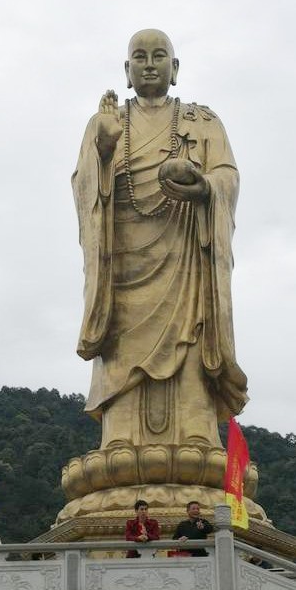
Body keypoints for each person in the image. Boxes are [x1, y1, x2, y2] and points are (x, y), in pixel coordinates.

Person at [73, 29, 247, 451]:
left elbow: (227, 176)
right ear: (126, 70)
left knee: (191, 337)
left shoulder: (203, 121)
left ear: (175, 68)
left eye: (158, 56)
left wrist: (205, 187)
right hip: (124, 264)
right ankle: (119, 436)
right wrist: (104, 151)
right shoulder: (105, 123)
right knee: (121, 342)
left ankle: (196, 432)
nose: (149, 64)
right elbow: (84, 188)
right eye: (139, 57)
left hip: (185, 253)